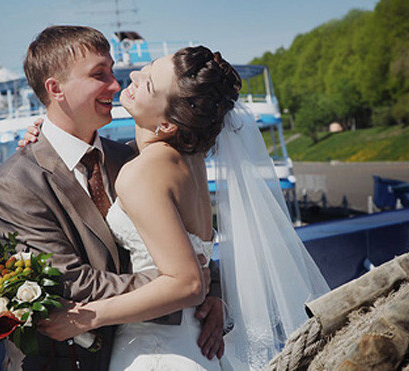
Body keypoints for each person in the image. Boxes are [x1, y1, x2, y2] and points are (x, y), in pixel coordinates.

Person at [21, 45, 330, 369]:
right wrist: (47, 138)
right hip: (199, 344)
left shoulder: (142, 173)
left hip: (157, 351)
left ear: (167, 126)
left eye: (150, 83)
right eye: (148, 69)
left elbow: (187, 283)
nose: (134, 76)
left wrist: (86, 318)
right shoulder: (189, 160)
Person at [0, 26, 223, 371]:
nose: (116, 85)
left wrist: (211, 293)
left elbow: (186, 237)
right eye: (100, 75)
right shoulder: (15, 184)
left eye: (112, 71)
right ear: (56, 89)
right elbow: (72, 283)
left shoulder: (134, 160)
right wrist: (185, 287)